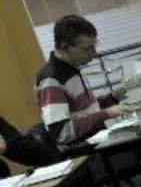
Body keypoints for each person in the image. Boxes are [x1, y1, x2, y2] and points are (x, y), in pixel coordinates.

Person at [35, 15, 131, 149]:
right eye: (87, 49)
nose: (94, 54)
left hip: (97, 142)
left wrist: (115, 96)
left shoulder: (72, 69)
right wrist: (107, 113)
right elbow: (62, 133)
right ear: (65, 47)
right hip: (84, 152)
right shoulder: (51, 79)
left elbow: (87, 111)